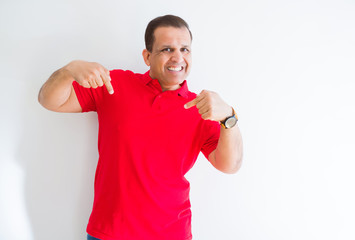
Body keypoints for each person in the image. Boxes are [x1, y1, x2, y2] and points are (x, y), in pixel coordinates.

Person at [38, 15, 243, 240]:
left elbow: (230, 165)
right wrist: (68, 71)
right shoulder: (113, 85)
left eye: (185, 49)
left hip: (170, 234)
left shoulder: (201, 108)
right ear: (147, 56)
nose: (178, 57)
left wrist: (228, 117)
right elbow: (50, 100)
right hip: (108, 232)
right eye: (167, 49)